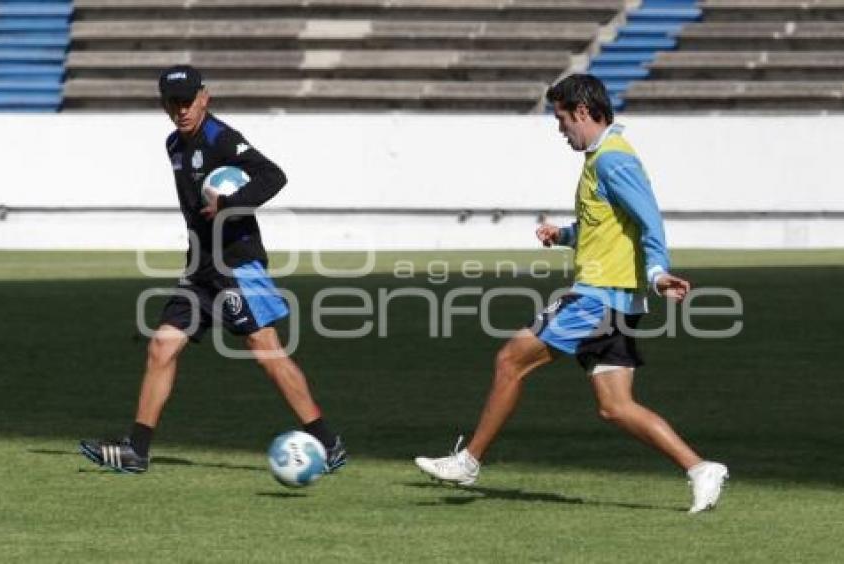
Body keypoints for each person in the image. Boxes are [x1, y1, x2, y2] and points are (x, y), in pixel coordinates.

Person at [414, 74, 727, 513]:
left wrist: (658, 273)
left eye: (562, 120)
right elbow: (605, 225)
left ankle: (468, 462)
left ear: (582, 112)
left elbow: (649, 220)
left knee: (510, 361)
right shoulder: (603, 159)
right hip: (615, 303)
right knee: (616, 407)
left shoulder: (613, 160)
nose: (561, 131)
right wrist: (562, 234)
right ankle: (701, 469)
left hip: (596, 298)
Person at [79, 65, 346, 474]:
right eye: (174, 102)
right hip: (200, 268)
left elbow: (273, 175)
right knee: (161, 346)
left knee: (266, 351)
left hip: (235, 264)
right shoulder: (174, 144)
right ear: (164, 104)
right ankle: (137, 450)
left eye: (189, 100)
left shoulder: (221, 138)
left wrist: (230, 203)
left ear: (206, 97)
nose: (182, 109)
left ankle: (328, 444)